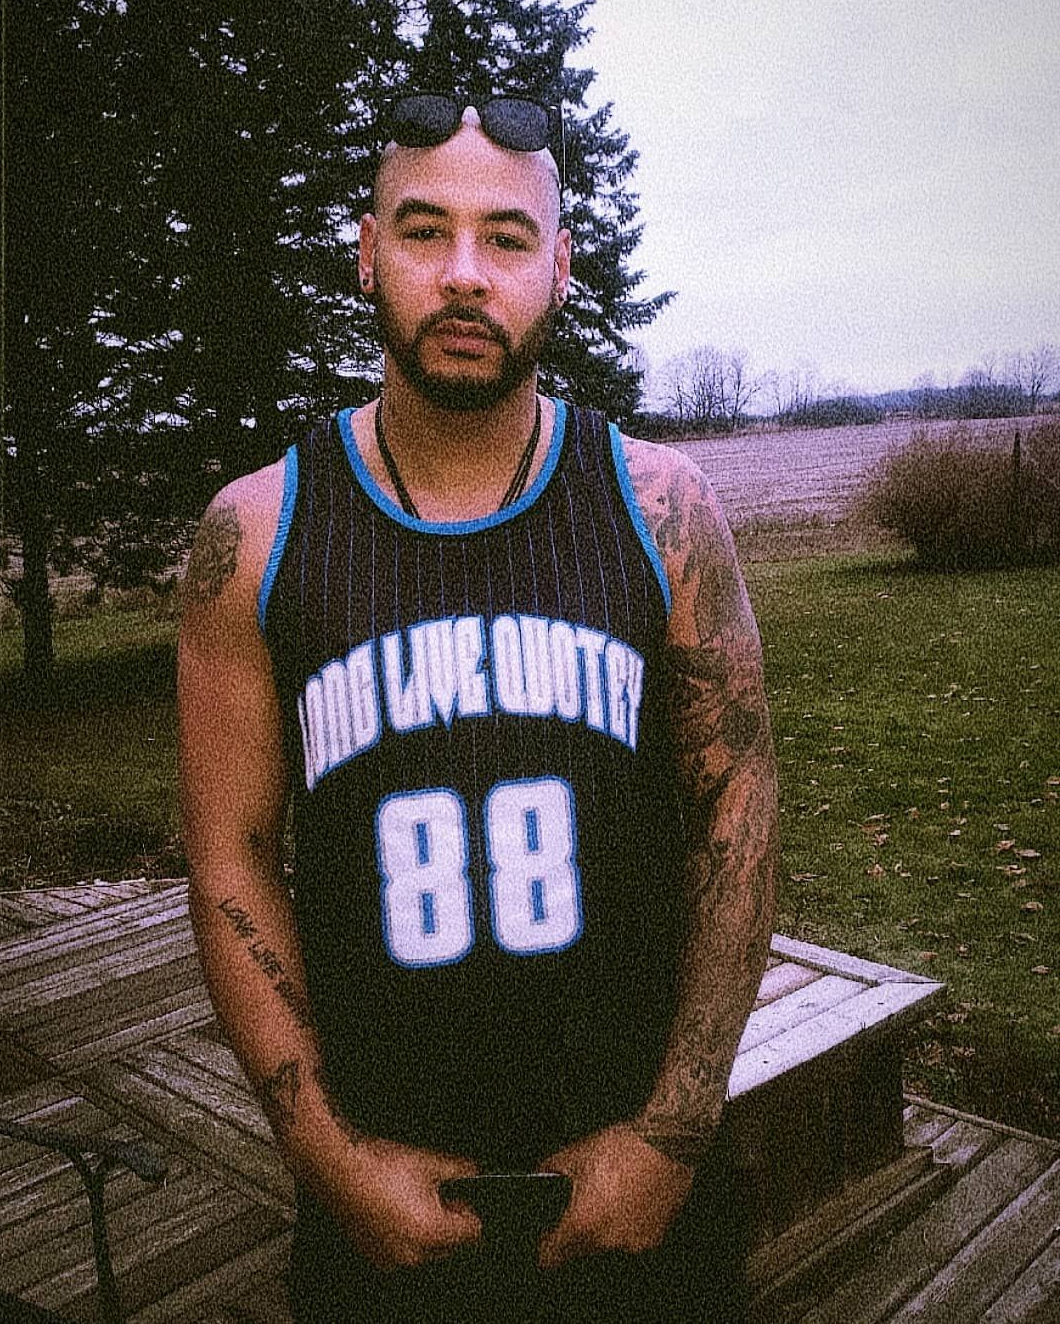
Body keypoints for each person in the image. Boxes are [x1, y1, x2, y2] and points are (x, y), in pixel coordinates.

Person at [178, 93, 779, 1322]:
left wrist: (672, 1134)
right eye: (423, 230)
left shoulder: (662, 508)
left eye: (506, 237)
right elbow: (230, 856)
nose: (463, 274)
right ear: (366, 254)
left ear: (560, 267)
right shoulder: (256, 533)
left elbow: (739, 802)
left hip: (635, 1170)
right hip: (387, 1185)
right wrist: (330, 1156)